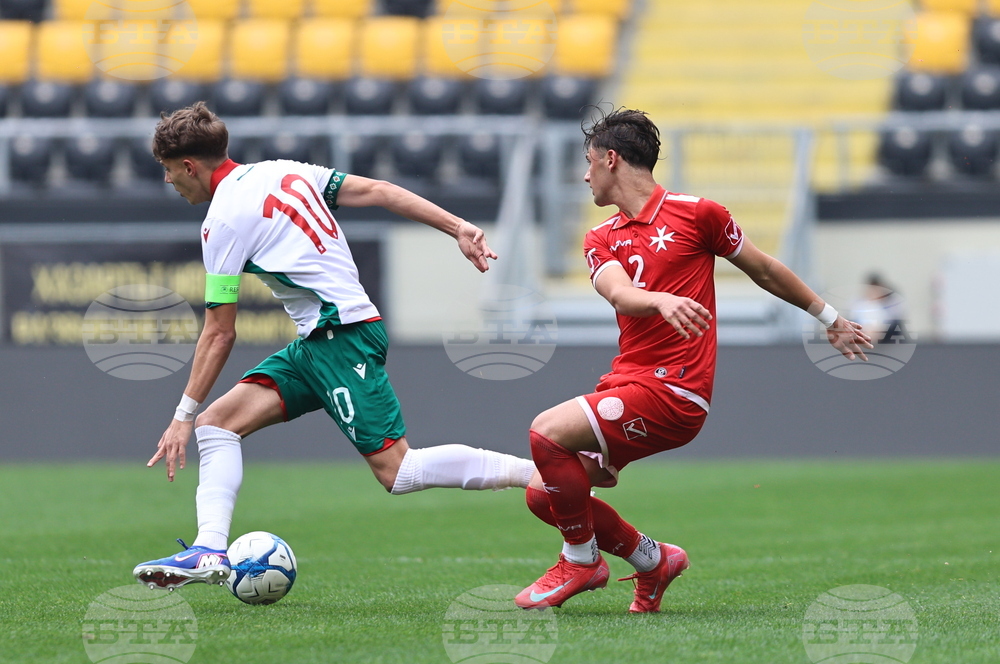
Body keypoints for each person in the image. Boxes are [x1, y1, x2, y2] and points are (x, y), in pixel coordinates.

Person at [133, 103, 535, 590]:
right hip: (320, 339)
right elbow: (381, 191)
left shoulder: (222, 221)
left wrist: (179, 415)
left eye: (171, 172)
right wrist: (458, 227)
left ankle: (534, 472)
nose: (170, 182)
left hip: (339, 336)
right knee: (217, 425)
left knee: (399, 470)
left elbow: (220, 331)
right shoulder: (282, 170)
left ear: (191, 166)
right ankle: (209, 550)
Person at [514, 108, 872, 613]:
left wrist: (828, 316)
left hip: (676, 391)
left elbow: (765, 270)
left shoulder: (699, 214)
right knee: (542, 495)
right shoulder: (601, 237)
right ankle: (653, 560)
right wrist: (658, 299)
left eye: (589, 162)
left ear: (611, 159)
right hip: (625, 383)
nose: (585, 174)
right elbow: (619, 293)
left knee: (545, 431)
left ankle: (580, 560)